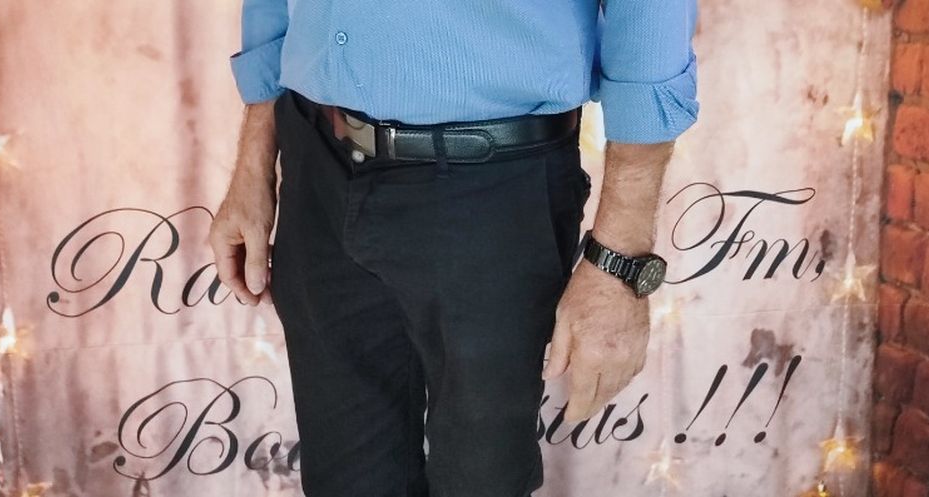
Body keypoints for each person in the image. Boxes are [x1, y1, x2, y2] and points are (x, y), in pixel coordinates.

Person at [208, 1, 699, 496]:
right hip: (316, 162)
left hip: (491, 185)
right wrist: (254, 158)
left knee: (479, 481)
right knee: (344, 480)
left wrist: (620, 263)